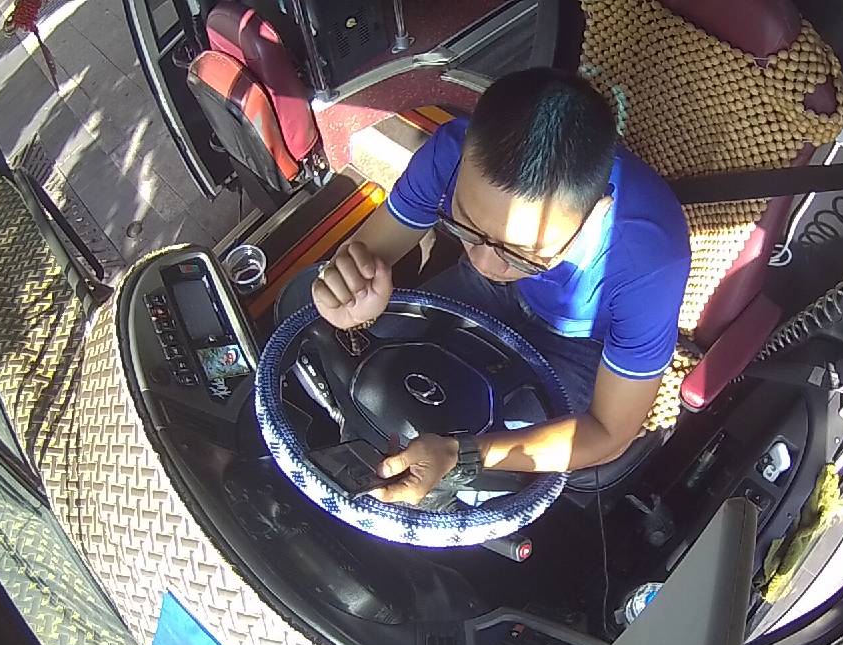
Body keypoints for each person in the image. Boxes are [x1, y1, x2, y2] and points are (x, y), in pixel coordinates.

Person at [289, 68, 690, 506]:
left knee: (473, 486)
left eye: (522, 253)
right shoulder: (452, 150)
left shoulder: (649, 263)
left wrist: (463, 456)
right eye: (465, 224)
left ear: (596, 214)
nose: (483, 264)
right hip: (485, 298)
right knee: (380, 371)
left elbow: (609, 432)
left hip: (579, 346)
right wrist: (350, 303)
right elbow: (367, 254)